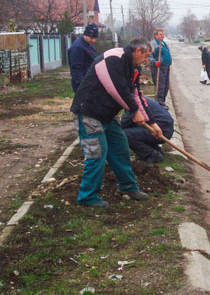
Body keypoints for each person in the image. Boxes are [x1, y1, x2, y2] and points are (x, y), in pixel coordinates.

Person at [70, 37, 163, 208]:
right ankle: (87, 196)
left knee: (120, 147)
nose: (147, 60)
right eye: (146, 56)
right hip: (89, 113)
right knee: (97, 153)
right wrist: (134, 111)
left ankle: (128, 186)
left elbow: (136, 95)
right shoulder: (113, 59)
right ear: (138, 51)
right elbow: (116, 89)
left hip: (106, 115)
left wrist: (152, 122)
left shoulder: (133, 67)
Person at [121, 96, 174, 164]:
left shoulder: (132, 103)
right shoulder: (138, 98)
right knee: (134, 129)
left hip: (160, 131)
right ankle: (155, 150)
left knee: (125, 135)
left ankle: (152, 155)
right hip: (166, 128)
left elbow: (124, 124)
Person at [68, 23, 98, 92]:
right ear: (85, 35)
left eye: (95, 38)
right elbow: (76, 70)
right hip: (83, 84)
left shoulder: (90, 44)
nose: (93, 40)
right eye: (91, 38)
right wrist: (83, 86)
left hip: (90, 81)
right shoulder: (77, 48)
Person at [150, 29, 172, 109]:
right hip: (158, 68)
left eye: (163, 34)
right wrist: (154, 62)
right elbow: (149, 56)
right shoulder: (153, 44)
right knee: (160, 86)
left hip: (166, 67)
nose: (162, 36)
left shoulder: (164, 43)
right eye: (160, 34)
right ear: (156, 35)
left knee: (166, 86)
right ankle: (159, 104)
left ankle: (162, 102)